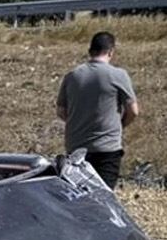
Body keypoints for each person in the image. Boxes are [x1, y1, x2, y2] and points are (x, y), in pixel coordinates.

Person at [56, 31, 139, 189]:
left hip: (76, 147)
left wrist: (79, 122)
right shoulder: (118, 75)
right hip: (106, 148)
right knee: (103, 197)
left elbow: (61, 111)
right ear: (110, 51)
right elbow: (133, 111)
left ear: (90, 51)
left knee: (78, 196)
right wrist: (120, 126)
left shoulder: (72, 76)